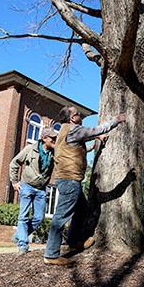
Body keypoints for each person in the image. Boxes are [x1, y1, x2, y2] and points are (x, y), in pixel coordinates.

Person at [43, 106, 125, 266]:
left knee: (81, 210)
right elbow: (96, 130)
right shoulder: (74, 129)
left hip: (68, 180)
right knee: (60, 217)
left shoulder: (65, 132)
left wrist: (94, 144)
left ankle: (74, 241)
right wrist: (116, 120)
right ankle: (51, 255)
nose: (80, 116)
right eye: (77, 114)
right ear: (72, 118)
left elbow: (73, 150)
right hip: (70, 180)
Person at [9, 126, 58, 255]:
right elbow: (14, 163)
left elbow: (71, 153)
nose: (54, 139)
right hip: (27, 186)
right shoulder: (30, 149)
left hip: (41, 190)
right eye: (52, 138)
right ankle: (22, 245)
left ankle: (20, 234)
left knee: (39, 218)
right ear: (44, 138)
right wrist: (14, 182)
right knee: (23, 216)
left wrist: (92, 145)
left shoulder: (54, 152)